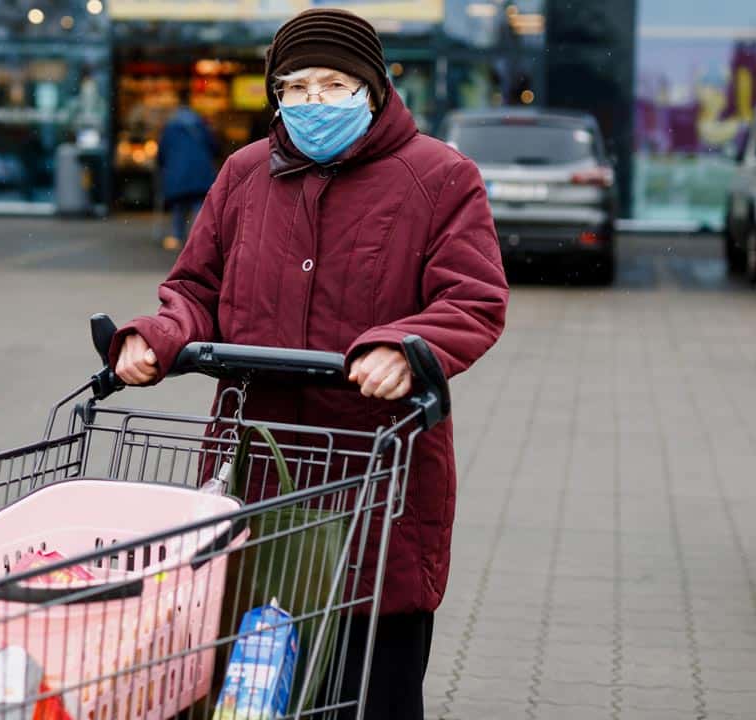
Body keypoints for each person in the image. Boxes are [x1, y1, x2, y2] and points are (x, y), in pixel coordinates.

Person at [110, 8, 508, 718]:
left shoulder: (440, 177)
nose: (312, 102)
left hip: (374, 480)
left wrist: (407, 348)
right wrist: (157, 337)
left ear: (376, 88)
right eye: (294, 87)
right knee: (243, 688)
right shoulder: (243, 175)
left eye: (333, 83)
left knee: (364, 689)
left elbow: (472, 299)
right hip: (253, 469)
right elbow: (197, 288)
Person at [157, 88, 218, 250]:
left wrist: (164, 167)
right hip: (200, 171)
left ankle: (177, 237)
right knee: (199, 205)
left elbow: (162, 152)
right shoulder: (200, 124)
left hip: (177, 172)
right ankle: (198, 240)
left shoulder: (170, 126)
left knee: (179, 206)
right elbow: (213, 147)